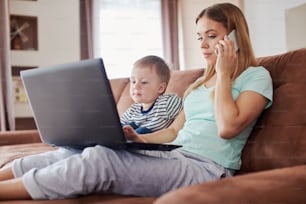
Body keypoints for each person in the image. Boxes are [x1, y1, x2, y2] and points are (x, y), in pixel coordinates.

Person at [0, 3, 273, 200]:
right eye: (199, 37)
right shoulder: (198, 85)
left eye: (211, 36)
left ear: (236, 37)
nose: (203, 45)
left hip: (208, 168)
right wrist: (140, 140)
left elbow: (227, 127)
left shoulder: (256, 77)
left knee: (100, 159)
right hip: (176, 154)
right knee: (76, 150)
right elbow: (173, 132)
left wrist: (224, 73)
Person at [120, 55, 182, 134]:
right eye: (133, 81)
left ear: (160, 88)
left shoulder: (168, 102)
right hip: (133, 144)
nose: (135, 86)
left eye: (144, 82)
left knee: (142, 131)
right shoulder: (133, 110)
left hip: (155, 143)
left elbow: (187, 119)